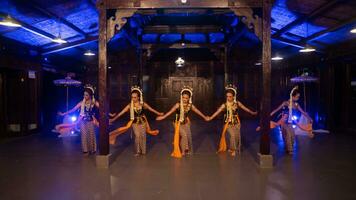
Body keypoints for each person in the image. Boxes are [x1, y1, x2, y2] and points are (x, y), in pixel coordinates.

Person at [109, 86, 163, 156]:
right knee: (137, 136)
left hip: (143, 122)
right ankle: (138, 151)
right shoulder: (130, 105)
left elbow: (151, 109)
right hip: (134, 123)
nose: (133, 99)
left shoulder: (142, 104)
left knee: (143, 136)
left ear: (138, 97)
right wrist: (113, 119)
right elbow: (121, 113)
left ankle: (143, 151)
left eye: (135, 97)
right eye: (132, 97)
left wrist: (159, 113)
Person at [156, 86, 209, 158]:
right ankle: (184, 150)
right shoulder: (178, 105)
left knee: (188, 136)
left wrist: (204, 117)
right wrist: (162, 117)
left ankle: (186, 151)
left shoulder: (190, 106)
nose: (184, 99)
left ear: (189, 98)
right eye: (183, 97)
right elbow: (170, 112)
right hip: (177, 123)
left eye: (186, 98)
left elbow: (197, 111)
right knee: (184, 135)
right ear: (181, 97)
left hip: (185, 123)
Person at [207, 84, 257, 156]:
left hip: (236, 122)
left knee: (236, 136)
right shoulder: (225, 105)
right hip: (228, 123)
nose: (228, 98)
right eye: (227, 96)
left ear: (233, 96)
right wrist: (210, 117)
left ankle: (232, 148)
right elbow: (217, 112)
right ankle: (234, 150)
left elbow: (245, 108)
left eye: (230, 96)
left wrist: (252, 112)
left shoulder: (237, 103)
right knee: (232, 135)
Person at [268, 86, 313, 154]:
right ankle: (290, 150)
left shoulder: (296, 105)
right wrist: (270, 114)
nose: (298, 98)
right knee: (288, 135)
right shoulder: (286, 103)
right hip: (284, 122)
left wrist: (309, 118)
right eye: (297, 96)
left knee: (292, 136)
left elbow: (303, 112)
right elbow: (277, 109)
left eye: (298, 97)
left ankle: (288, 148)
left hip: (291, 123)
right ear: (293, 96)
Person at [58, 85, 99, 155]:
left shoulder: (93, 102)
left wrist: (110, 114)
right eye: (84, 95)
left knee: (91, 135)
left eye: (86, 95)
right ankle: (85, 150)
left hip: (91, 120)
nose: (85, 96)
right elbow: (73, 110)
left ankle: (92, 149)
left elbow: (102, 109)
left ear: (90, 95)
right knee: (84, 135)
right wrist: (63, 114)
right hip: (82, 121)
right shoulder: (81, 103)